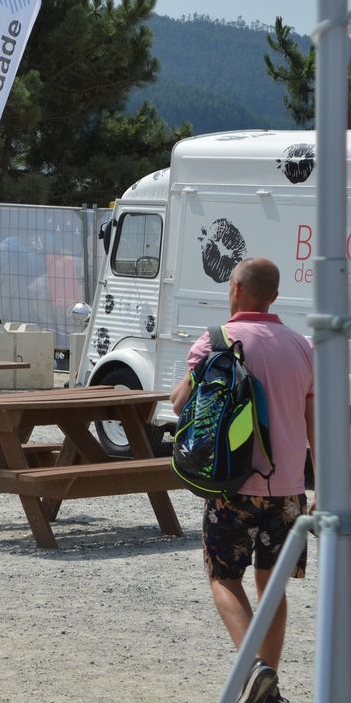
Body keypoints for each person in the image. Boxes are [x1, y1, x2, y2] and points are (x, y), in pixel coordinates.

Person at [171, 257, 314, 703]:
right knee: (272, 588)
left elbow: (179, 405)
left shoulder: (217, 340)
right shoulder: (302, 346)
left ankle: (253, 670)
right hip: (289, 489)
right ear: (274, 296)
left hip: (233, 487)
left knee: (224, 578)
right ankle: (267, 692)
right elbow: (315, 425)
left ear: (234, 289)